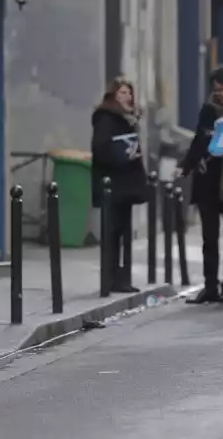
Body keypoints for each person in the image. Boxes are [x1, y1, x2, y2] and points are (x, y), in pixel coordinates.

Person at [179, 67, 223, 304]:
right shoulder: (208, 109)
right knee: (209, 238)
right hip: (207, 182)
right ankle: (210, 286)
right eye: (216, 90)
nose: (220, 95)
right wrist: (188, 165)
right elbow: (199, 139)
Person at [91, 78, 148, 293]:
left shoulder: (128, 118)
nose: (128, 97)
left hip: (125, 185)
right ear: (114, 95)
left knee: (123, 233)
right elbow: (101, 148)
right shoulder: (106, 117)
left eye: (129, 93)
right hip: (113, 184)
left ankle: (121, 279)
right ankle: (111, 279)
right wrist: (125, 154)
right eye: (123, 93)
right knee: (112, 234)